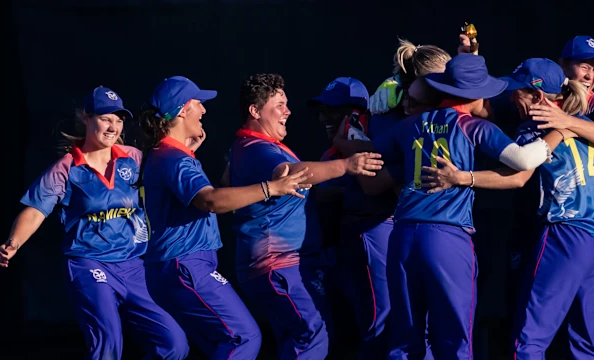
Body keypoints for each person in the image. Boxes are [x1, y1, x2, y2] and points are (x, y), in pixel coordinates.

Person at [358, 54, 561, 359]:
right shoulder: (473, 126)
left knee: (405, 341)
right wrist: (561, 131)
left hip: (401, 236)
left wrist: (350, 136)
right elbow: (523, 160)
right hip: (446, 238)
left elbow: (372, 155)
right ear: (477, 93)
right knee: (454, 340)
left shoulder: (410, 124)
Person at [418, 58, 594, 359]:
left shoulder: (535, 127)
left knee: (527, 343)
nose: (512, 98)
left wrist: (462, 178)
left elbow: (519, 175)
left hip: (565, 235)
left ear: (537, 97)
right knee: (588, 344)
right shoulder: (590, 126)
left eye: (517, 92)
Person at [0, 86, 190, 360]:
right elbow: (36, 210)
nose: (113, 126)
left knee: (174, 343)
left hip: (134, 265)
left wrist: (189, 149)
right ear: (86, 118)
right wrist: (13, 243)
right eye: (106, 118)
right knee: (108, 342)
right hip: (89, 264)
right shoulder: (67, 167)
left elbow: (169, 175)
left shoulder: (134, 158)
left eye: (119, 119)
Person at [135, 76, 313, 360]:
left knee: (197, 346)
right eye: (198, 104)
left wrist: (191, 153)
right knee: (243, 337)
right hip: (185, 265)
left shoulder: (172, 156)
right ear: (182, 110)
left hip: (174, 266)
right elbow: (211, 200)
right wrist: (273, 188)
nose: (204, 110)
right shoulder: (174, 159)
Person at [227, 73, 383, 359]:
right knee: (313, 334)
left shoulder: (251, 146)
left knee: (303, 338)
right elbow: (290, 174)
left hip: (288, 264)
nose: (288, 111)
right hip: (278, 264)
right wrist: (348, 165)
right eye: (279, 104)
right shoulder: (259, 148)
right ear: (255, 111)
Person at [322, 42, 449, 358]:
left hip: (408, 228)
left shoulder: (434, 115)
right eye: (444, 80)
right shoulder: (391, 116)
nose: (452, 88)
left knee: (420, 321)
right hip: (375, 226)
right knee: (384, 323)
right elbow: (373, 185)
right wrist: (397, 174)